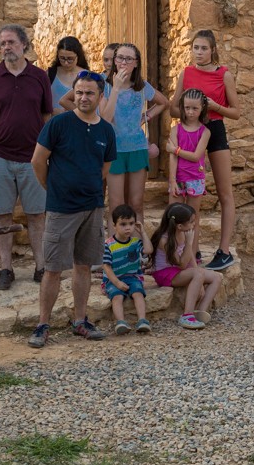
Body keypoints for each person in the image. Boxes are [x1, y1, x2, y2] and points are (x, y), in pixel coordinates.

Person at [29, 71, 117, 347]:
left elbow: (105, 168)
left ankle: (80, 320)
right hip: (61, 208)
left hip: (92, 207)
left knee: (83, 267)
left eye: (89, 93)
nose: (83, 97)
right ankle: (43, 324)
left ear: (100, 96)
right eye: (79, 92)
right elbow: (38, 161)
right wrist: (51, 188)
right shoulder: (59, 124)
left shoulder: (106, 130)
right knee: (53, 268)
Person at [0, 24, 54, 291]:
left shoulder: (39, 76)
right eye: (2, 43)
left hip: (32, 158)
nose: (6, 47)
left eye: (11, 42)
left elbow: (47, 115)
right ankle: (6, 268)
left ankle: (41, 266)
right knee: (2, 215)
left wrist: (42, 149)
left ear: (24, 44)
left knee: (37, 214)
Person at [173, 30, 241, 269]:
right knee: (192, 194)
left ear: (212, 50)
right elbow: (173, 108)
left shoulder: (224, 75)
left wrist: (213, 106)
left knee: (225, 193)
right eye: (195, 48)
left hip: (215, 129)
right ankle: (194, 250)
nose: (199, 53)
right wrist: (188, 108)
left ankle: (223, 251)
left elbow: (236, 111)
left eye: (203, 48)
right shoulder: (186, 73)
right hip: (191, 132)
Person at [101, 43, 170, 222]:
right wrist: (116, 87)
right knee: (116, 204)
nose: (123, 62)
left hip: (137, 148)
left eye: (128, 58)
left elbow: (163, 102)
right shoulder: (104, 85)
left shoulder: (142, 86)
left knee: (136, 203)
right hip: (114, 150)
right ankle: (113, 247)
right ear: (115, 61)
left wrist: (145, 116)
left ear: (136, 63)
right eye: (120, 58)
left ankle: (137, 247)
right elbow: (105, 119)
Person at [150, 203, 224, 329]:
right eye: (191, 222)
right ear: (179, 226)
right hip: (165, 274)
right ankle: (187, 315)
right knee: (198, 273)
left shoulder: (183, 232)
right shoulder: (165, 240)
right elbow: (182, 264)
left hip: (178, 270)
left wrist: (198, 275)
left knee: (217, 277)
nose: (193, 224)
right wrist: (189, 243)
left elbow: (190, 258)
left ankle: (201, 311)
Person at [101, 203, 150, 335]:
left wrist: (143, 232)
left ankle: (142, 320)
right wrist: (117, 282)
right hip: (113, 280)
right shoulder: (108, 245)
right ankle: (121, 322)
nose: (128, 228)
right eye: (123, 224)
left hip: (132, 277)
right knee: (117, 297)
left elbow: (149, 250)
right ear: (114, 225)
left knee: (138, 293)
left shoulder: (135, 242)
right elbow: (106, 266)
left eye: (131, 223)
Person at [167, 88, 210, 214]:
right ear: (182, 107)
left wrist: (175, 150)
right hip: (178, 178)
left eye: (195, 108)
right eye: (187, 108)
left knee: (193, 217)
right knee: (173, 216)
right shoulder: (176, 130)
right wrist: (172, 180)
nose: (190, 112)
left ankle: (192, 235)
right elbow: (173, 158)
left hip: (195, 178)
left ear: (202, 107)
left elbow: (196, 156)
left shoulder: (205, 132)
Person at [48, 36, 89, 114]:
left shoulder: (86, 75)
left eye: (70, 59)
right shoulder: (50, 74)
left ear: (78, 56)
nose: (66, 63)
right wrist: (52, 111)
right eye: (62, 58)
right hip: (56, 123)